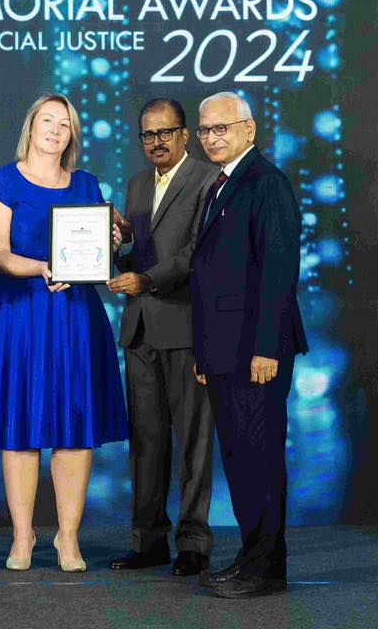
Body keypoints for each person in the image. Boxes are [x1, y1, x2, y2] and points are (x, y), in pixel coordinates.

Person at [0, 93, 130, 572]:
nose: (56, 130)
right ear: (31, 127)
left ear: (72, 134)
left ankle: (68, 537)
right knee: (20, 429)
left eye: (65, 123)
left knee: (75, 428)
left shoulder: (88, 184)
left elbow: (102, 250)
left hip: (75, 317)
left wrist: (113, 240)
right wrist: (40, 267)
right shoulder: (1, 182)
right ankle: (23, 536)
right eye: (47, 121)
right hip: (18, 315)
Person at [189, 91, 308, 599]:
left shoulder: (266, 182)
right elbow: (212, 273)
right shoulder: (221, 183)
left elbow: (279, 270)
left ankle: (266, 570)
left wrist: (266, 349)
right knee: (239, 461)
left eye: (222, 128)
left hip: (256, 352)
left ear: (249, 129)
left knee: (259, 461)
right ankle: (251, 559)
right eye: (205, 130)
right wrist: (204, 350)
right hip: (223, 350)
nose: (212, 138)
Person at [106, 98, 219, 577]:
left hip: (187, 327)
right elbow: (135, 258)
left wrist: (147, 279)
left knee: (194, 441)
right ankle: (148, 541)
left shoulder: (209, 179)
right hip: (140, 330)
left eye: (165, 132)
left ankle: (193, 544)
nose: (156, 142)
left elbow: (199, 251)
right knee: (146, 442)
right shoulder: (136, 185)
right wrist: (117, 247)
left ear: (185, 135)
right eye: (148, 135)